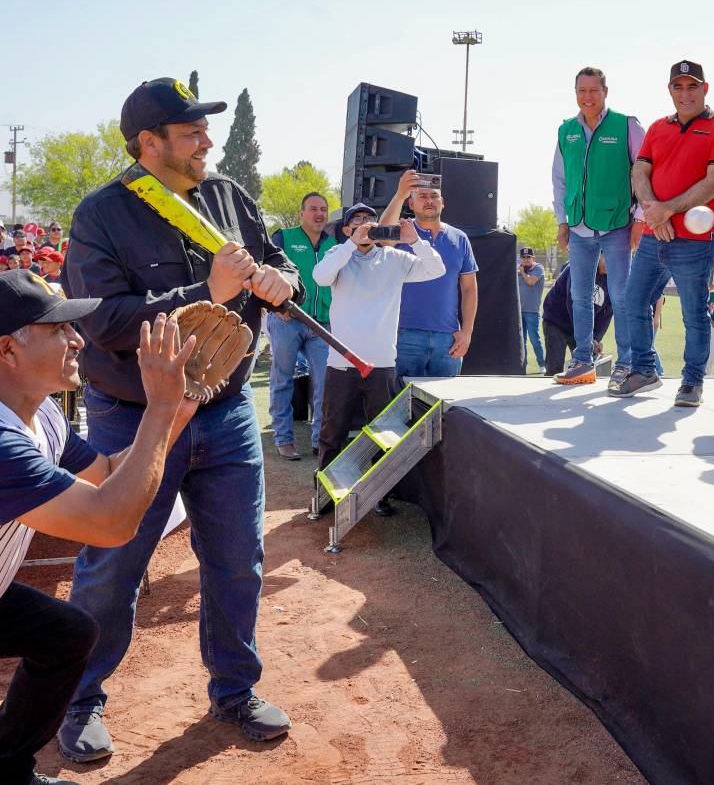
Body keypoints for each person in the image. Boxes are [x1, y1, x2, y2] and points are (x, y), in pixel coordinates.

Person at [0, 270, 197, 785]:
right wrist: (156, 407)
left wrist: (175, 411)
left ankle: (5, 777)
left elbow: (109, 476)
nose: (77, 339)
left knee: (66, 635)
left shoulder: (36, 413)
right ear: (8, 349)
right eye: (58, 329)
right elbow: (110, 523)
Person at [60, 77, 304, 761]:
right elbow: (104, 320)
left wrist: (286, 282)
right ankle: (77, 699)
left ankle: (234, 690)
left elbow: (276, 259)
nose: (207, 140)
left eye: (205, 129)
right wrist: (206, 291)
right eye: (192, 130)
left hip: (226, 414)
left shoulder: (228, 195)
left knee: (237, 560)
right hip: (136, 419)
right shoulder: (101, 214)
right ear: (150, 142)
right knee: (110, 563)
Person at [614, 60, 714, 404]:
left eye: (692, 86)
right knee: (633, 300)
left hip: (695, 241)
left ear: (704, 89)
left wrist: (668, 210)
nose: (685, 93)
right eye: (678, 87)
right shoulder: (656, 128)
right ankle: (644, 370)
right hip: (655, 234)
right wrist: (654, 211)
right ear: (670, 90)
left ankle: (692, 382)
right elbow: (639, 172)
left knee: (693, 313)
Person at [312, 203, 444, 483]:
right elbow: (320, 278)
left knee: (382, 432)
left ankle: (380, 492)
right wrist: (350, 244)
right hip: (341, 363)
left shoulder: (395, 258)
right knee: (332, 430)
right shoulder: (339, 253)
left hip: (381, 363)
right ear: (347, 229)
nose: (366, 224)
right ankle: (323, 491)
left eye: (371, 219)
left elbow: (437, 270)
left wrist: (415, 241)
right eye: (358, 221)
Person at [552, 66, 644, 387]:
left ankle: (627, 362)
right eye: (581, 91)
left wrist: (641, 219)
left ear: (605, 91)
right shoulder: (567, 131)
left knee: (621, 295)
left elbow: (645, 173)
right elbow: (560, 180)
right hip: (578, 227)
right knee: (580, 295)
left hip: (618, 224)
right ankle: (582, 361)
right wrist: (562, 220)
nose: (587, 97)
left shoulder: (627, 126)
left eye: (593, 90)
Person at [379, 170, 478, 378]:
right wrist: (400, 194)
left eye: (434, 196)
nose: (429, 201)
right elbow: (383, 238)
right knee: (401, 403)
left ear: (443, 203)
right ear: (411, 204)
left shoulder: (459, 238)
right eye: (422, 196)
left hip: (448, 338)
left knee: (445, 406)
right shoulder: (403, 231)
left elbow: (469, 288)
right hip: (405, 334)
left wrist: (467, 332)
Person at [267, 191, 337, 460]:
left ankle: (320, 440)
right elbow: (267, 270)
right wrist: (275, 306)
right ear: (302, 213)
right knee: (282, 380)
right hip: (288, 319)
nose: (319, 214)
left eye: (323, 209)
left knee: (324, 384)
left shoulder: (335, 243)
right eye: (313, 209)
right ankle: (284, 439)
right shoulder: (283, 238)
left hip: (321, 324)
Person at [542, 257, 612, 377]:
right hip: (557, 322)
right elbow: (573, 302)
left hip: (581, 326)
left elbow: (606, 314)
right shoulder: (579, 269)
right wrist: (587, 337)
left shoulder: (612, 280)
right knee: (555, 368)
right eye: (607, 258)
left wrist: (595, 339)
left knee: (585, 365)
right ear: (598, 255)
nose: (610, 263)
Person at [517, 247, 545, 371]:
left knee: (534, 339)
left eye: (529, 257)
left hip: (532, 311)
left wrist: (522, 272)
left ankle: (542, 364)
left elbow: (530, 282)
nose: (526, 259)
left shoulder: (538, 268)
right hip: (518, 311)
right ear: (520, 258)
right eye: (524, 257)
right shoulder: (517, 270)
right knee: (521, 341)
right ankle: (523, 366)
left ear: (533, 258)